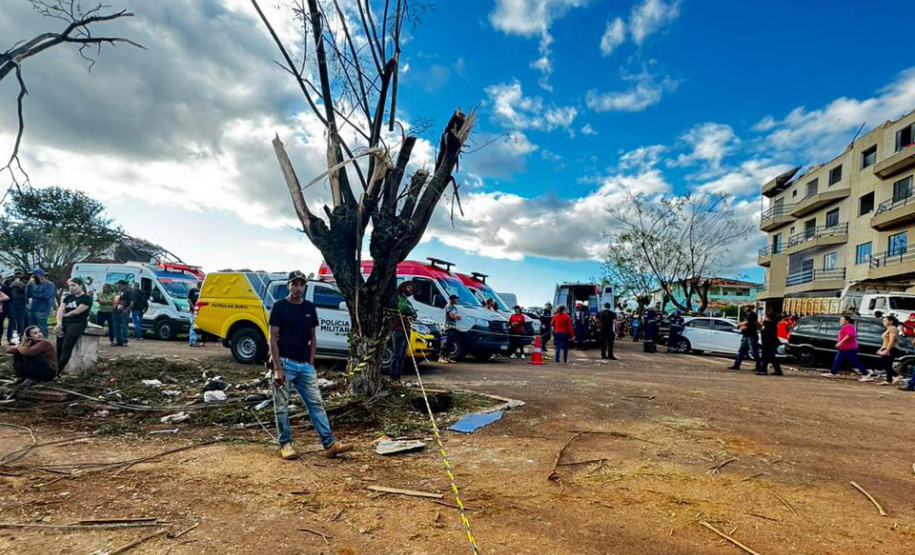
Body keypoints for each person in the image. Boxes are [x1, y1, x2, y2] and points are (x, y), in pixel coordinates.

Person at [269, 270, 351, 460]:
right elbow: (272, 338)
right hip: (285, 363)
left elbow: (313, 337)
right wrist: (277, 368)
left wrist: (311, 363)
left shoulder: (309, 307)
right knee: (281, 406)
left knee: (316, 404)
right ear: (288, 285)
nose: (298, 288)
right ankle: (286, 444)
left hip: (305, 365)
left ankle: (330, 444)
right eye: (295, 284)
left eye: (301, 285)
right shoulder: (279, 307)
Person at [54, 278, 92, 373]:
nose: (71, 288)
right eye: (70, 286)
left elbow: (77, 311)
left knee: (66, 347)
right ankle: (53, 368)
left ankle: (58, 371)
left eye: (73, 285)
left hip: (77, 323)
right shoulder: (68, 298)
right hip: (64, 323)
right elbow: (60, 310)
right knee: (58, 347)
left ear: (80, 285)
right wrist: (59, 323)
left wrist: (65, 315)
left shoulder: (86, 298)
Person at [821, 315, 874, 381]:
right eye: (840, 320)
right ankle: (832, 373)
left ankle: (866, 374)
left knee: (855, 361)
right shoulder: (845, 327)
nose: (840, 321)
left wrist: (840, 342)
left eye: (842, 320)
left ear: (847, 321)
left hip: (850, 348)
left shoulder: (849, 326)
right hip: (843, 348)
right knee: (837, 360)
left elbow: (849, 335)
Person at [390, 281, 417, 382]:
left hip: (407, 329)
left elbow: (414, 313)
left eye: (413, 289)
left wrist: (410, 315)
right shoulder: (398, 299)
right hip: (398, 330)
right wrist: (408, 314)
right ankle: (393, 376)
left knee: (402, 355)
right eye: (410, 287)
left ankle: (398, 376)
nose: (411, 290)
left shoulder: (407, 301)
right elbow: (402, 309)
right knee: (397, 354)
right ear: (403, 287)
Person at [728, 305, 761, 372]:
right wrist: (742, 326)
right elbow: (745, 325)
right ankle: (736, 365)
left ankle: (759, 366)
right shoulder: (747, 315)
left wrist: (739, 325)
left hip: (752, 336)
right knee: (741, 351)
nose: (746, 309)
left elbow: (747, 323)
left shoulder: (753, 315)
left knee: (754, 352)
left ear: (751, 308)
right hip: (745, 336)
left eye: (747, 307)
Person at [25, 269, 56, 338]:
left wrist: (34, 294)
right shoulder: (32, 284)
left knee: (42, 328)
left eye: (35, 275)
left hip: (42, 309)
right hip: (32, 308)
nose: (33, 277)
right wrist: (29, 285)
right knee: (32, 328)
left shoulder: (49, 284)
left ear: (41, 276)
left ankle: (44, 343)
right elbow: (28, 295)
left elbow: (46, 296)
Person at [877, 314, 901, 386]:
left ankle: (896, 375)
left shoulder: (893, 328)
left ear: (891, 321)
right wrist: (880, 349)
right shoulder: (888, 329)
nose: (883, 322)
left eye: (885, 320)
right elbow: (885, 341)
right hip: (887, 348)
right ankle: (889, 380)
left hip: (891, 348)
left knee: (883, 363)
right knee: (887, 364)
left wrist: (887, 350)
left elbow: (892, 340)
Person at [5, 272, 28, 344]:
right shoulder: (8, 281)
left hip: (22, 303)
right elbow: (5, 291)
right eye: (16, 273)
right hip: (12, 303)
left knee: (21, 321)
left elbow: (28, 292)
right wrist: (11, 286)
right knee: (12, 321)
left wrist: (21, 287)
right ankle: (10, 338)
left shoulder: (25, 282)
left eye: (19, 273)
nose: (18, 275)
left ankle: (20, 337)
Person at [439, 294, 462, 364]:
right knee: (446, 342)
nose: (457, 300)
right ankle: (441, 357)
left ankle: (447, 357)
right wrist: (455, 316)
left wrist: (456, 316)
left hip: (454, 326)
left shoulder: (455, 308)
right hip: (448, 327)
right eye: (456, 299)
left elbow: (459, 317)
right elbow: (452, 316)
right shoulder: (448, 306)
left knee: (451, 343)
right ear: (452, 299)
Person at [112, 280, 133, 346]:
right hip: (116, 310)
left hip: (123, 311)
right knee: (116, 326)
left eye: (119, 284)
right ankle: (118, 341)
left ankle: (124, 341)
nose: (117, 286)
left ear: (122, 284)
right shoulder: (118, 291)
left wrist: (126, 309)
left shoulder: (128, 291)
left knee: (124, 326)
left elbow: (132, 302)